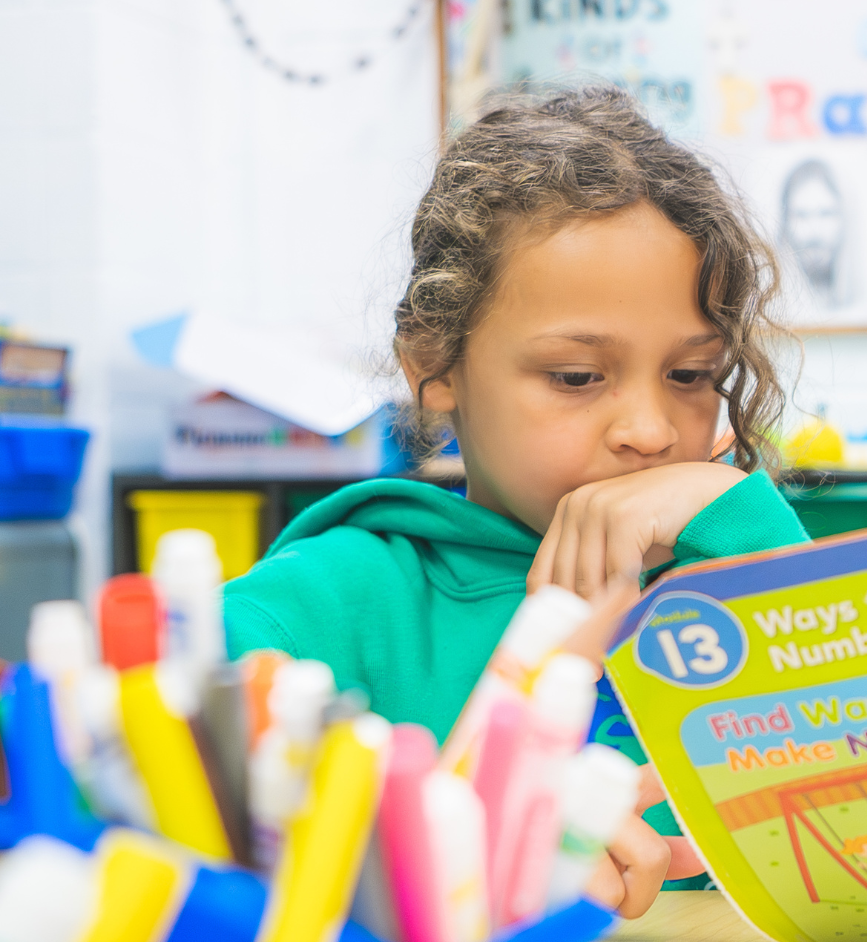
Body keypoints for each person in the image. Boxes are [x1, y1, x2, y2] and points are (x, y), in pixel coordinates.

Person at [221, 86, 811, 919]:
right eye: (577, 377)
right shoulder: (337, 600)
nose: (647, 430)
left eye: (690, 375)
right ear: (436, 367)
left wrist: (735, 511)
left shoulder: (735, 561)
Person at [777, 158, 849, 308]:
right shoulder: (776, 304)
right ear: (784, 223)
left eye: (825, 213)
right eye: (801, 215)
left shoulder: (858, 297)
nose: (814, 232)